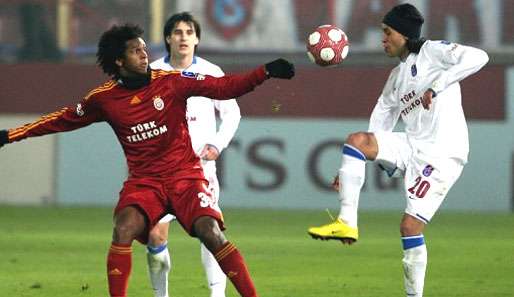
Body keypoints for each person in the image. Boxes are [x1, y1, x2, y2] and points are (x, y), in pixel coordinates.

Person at [0, 24, 294, 297]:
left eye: (144, 49)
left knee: (210, 232)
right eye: (135, 51)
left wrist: (265, 71)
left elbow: (224, 87)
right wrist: (10, 135)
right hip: (145, 182)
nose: (145, 55)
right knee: (123, 228)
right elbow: (60, 120)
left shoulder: (172, 82)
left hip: (185, 176)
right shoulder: (103, 99)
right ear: (119, 61)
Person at [307, 3, 488, 297]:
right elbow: (379, 124)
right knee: (356, 141)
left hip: (443, 152)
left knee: (409, 227)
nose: (383, 39)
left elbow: (480, 56)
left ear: (404, 34)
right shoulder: (396, 79)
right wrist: (354, 165)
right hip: (413, 144)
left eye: (387, 32)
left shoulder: (433, 52)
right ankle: (346, 222)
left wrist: (437, 86)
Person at [145, 12, 241, 297]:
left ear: (197, 38)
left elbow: (232, 112)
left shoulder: (211, 73)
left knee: (209, 233)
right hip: (159, 172)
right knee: (154, 236)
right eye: (177, 32)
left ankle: (217, 294)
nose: (183, 37)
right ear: (167, 38)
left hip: (199, 170)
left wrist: (217, 143)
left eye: (189, 32)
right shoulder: (149, 74)